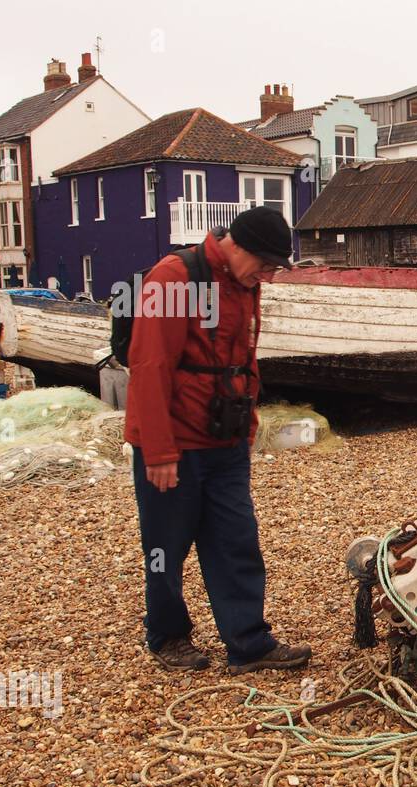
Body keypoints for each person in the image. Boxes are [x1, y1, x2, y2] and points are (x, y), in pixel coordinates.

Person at [125, 206, 312, 674]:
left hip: (224, 443)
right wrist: (160, 451)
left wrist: (247, 428)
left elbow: (244, 358)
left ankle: (248, 642)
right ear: (239, 249)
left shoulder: (245, 283)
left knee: (236, 540)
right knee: (166, 545)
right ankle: (167, 636)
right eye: (266, 265)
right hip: (174, 447)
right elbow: (149, 368)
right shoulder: (173, 278)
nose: (267, 276)